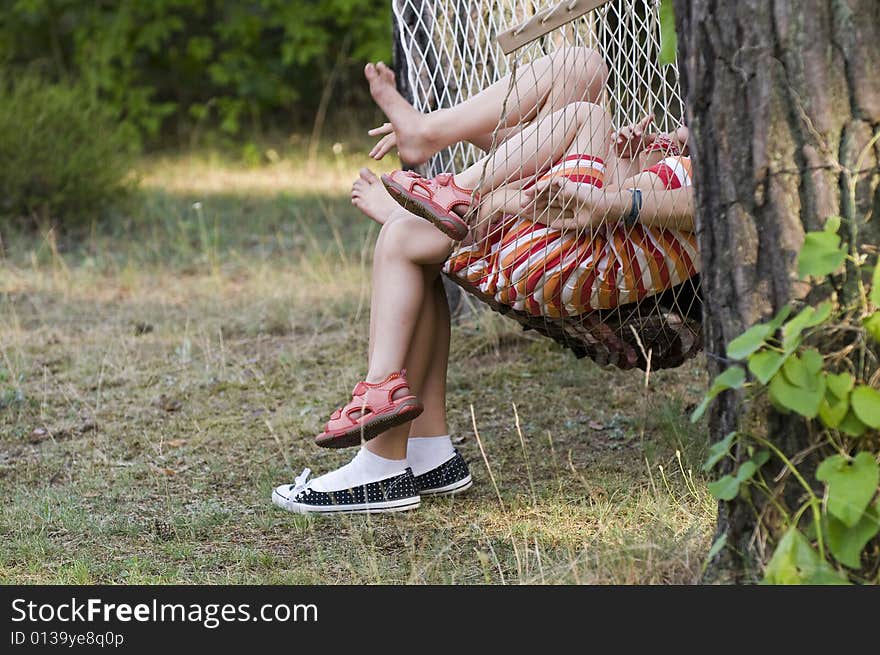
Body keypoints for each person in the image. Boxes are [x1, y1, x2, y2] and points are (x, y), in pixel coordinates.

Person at [272, 53, 696, 515]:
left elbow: (633, 208)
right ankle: (429, 450)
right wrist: (645, 155)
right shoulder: (719, 138)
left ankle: (380, 458)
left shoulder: (746, 162)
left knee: (406, 237)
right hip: (577, 239)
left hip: (576, 257)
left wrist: (621, 195)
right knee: (581, 67)